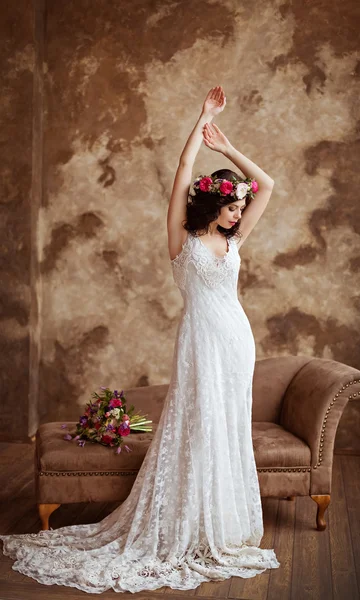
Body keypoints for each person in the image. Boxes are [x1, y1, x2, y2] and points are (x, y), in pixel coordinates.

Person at [0, 85, 279, 594]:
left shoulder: (235, 238)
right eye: (232, 205)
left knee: (227, 423)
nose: (240, 212)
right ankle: (187, 522)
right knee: (197, 422)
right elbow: (180, 176)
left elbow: (269, 184)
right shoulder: (183, 241)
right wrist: (201, 121)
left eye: (241, 206)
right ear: (212, 204)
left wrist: (230, 148)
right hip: (198, 339)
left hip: (237, 341)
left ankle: (219, 523)